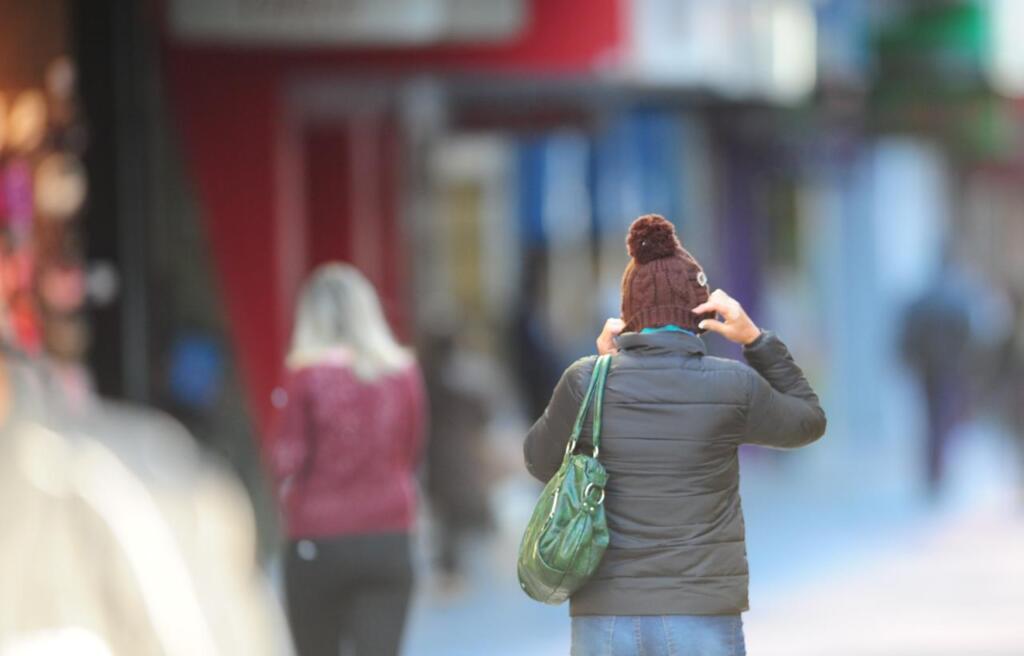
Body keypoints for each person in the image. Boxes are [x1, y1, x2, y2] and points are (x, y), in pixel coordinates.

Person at [524, 215, 826, 656]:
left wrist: (600, 368)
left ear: (627, 316)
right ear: (701, 314)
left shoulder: (586, 380)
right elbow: (809, 420)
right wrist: (756, 340)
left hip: (605, 615)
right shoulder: (731, 386)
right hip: (701, 614)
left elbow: (538, 460)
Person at [266, 264, 426, 656]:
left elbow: (285, 459)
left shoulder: (303, 376)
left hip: (317, 541)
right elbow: (412, 448)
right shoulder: (402, 373)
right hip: (389, 537)